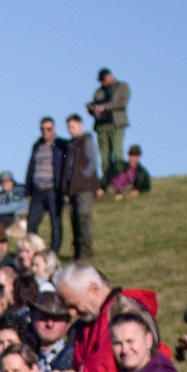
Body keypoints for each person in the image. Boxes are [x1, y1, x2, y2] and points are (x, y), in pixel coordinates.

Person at [60, 113, 102, 263]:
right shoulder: (71, 144)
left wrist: (83, 176)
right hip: (73, 188)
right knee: (74, 220)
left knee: (83, 218)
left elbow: (93, 161)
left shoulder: (87, 140)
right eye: (69, 127)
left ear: (80, 125)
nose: (70, 130)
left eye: (73, 126)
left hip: (84, 187)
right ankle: (77, 252)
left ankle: (86, 251)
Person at [25, 116, 66, 252]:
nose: (45, 132)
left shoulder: (61, 145)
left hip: (53, 190)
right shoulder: (37, 146)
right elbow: (31, 167)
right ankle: (33, 249)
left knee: (55, 222)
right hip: (37, 189)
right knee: (32, 222)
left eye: (48, 129)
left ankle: (54, 251)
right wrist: (28, 188)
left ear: (54, 129)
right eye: (43, 129)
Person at [88, 67, 130, 171]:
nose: (103, 82)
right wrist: (92, 109)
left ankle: (119, 179)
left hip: (116, 125)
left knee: (117, 154)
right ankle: (106, 181)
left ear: (110, 76)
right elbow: (94, 105)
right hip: (101, 126)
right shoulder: (98, 92)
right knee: (104, 157)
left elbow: (122, 103)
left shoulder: (122, 87)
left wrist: (105, 107)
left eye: (104, 80)